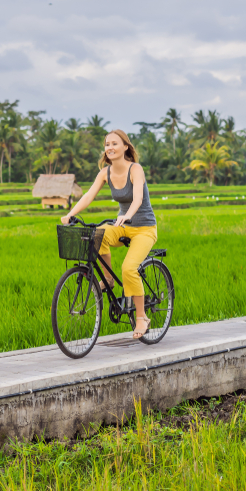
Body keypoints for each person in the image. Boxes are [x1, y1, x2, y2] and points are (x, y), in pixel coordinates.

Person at [61, 130, 157, 339]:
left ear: (125, 147)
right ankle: (108, 279)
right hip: (122, 226)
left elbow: (138, 198)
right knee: (97, 234)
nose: (110, 147)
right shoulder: (105, 173)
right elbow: (88, 196)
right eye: (107, 144)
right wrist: (70, 214)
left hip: (144, 229)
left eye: (115, 143)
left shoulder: (135, 169)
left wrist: (127, 216)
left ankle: (141, 317)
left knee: (129, 268)